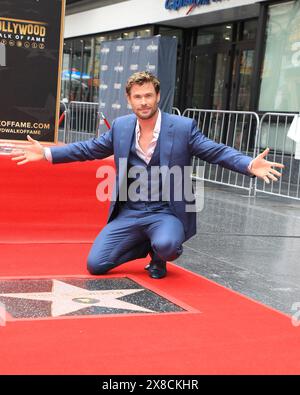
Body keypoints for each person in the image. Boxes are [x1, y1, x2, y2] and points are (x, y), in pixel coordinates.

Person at [7, 72, 284, 279]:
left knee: (167, 245)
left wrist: (248, 164)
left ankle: (160, 254)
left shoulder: (183, 127)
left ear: (157, 96)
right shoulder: (121, 127)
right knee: (96, 265)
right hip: (130, 211)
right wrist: (46, 153)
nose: (144, 102)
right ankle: (145, 244)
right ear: (129, 100)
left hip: (166, 212)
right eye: (137, 97)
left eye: (148, 95)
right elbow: (89, 149)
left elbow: (215, 151)